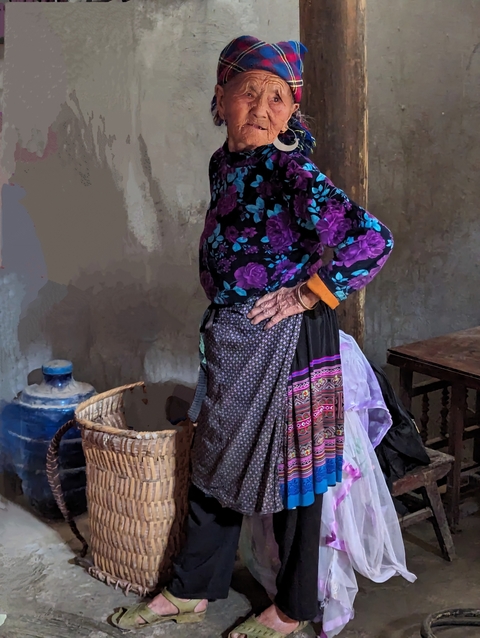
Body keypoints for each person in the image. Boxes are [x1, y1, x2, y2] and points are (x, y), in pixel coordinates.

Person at [111, 35, 393, 638]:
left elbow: (373, 240)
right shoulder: (226, 162)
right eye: (248, 92)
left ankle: (294, 607)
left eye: (277, 97)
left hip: (291, 341)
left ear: (292, 112)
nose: (262, 108)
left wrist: (303, 294)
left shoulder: (288, 168)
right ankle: (193, 590)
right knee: (213, 460)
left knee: (295, 476)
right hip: (237, 340)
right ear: (220, 98)